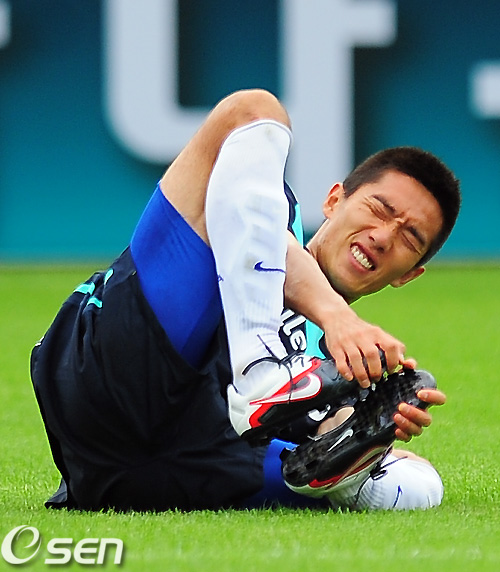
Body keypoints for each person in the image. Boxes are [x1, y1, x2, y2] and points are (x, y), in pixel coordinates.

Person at [30, 89, 460, 512]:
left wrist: (372, 435)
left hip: (185, 468)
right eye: (378, 208)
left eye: (410, 237)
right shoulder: (263, 201)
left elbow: (325, 434)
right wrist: (335, 315)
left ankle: (344, 478)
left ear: (408, 275)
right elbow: (274, 238)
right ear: (333, 200)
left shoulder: (347, 365)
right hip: (121, 380)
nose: (383, 237)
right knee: (254, 110)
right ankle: (260, 370)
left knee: (420, 482)